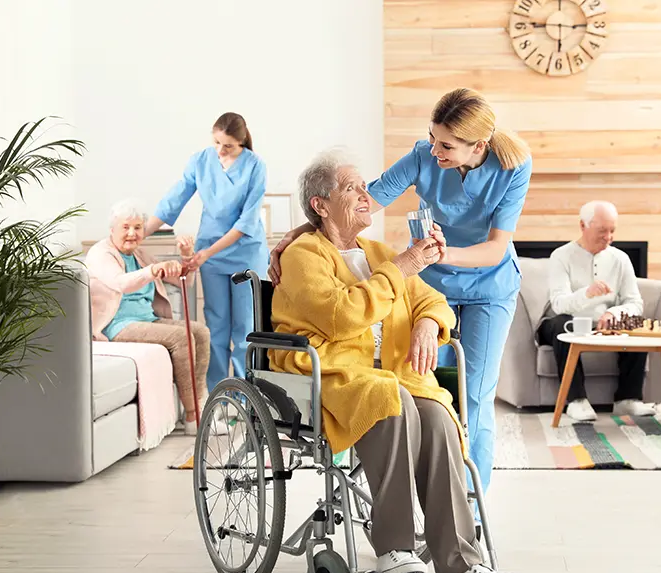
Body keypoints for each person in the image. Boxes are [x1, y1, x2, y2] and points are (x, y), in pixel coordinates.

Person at [269, 151, 520, 573]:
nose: (367, 195)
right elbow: (341, 316)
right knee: (393, 399)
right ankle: (394, 548)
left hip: (391, 374)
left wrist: (427, 322)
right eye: (351, 188)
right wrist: (403, 267)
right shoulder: (305, 254)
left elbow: (431, 300)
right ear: (320, 205)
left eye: (365, 186)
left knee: (439, 416)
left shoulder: (378, 252)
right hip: (334, 371)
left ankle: (460, 563)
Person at [269, 88, 532, 496]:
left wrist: (435, 255)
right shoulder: (423, 156)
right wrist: (298, 233)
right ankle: (420, 495)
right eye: (432, 137)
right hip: (432, 282)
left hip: (488, 284)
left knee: (474, 396)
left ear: (477, 145)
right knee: (423, 382)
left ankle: (471, 505)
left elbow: (496, 247)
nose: (434, 149)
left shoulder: (513, 165)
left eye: (445, 144)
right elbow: (361, 201)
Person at [146, 112, 269, 393]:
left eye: (228, 146)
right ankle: (220, 396)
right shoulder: (201, 160)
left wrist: (205, 253)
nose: (220, 150)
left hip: (245, 253)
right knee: (215, 328)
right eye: (216, 143)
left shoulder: (255, 166)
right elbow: (173, 201)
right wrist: (140, 232)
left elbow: (245, 224)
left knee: (245, 331)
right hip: (210, 256)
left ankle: (247, 398)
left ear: (242, 142)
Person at [86, 200, 216, 435]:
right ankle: (192, 416)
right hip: (116, 324)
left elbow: (183, 281)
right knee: (181, 336)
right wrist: (153, 271)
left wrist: (187, 259)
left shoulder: (141, 255)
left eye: (137, 227)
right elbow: (121, 283)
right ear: (112, 229)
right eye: (126, 227)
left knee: (200, 332)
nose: (132, 233)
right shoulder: (100, 253)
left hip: (146, 320)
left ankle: (201, 405)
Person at [537, 201, 654, 421]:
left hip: (603, 325)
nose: (608, 237)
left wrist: (614, 314)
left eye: (612, 231)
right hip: (561, 322)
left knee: (638, 321)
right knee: (562, 322)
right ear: (583, 225)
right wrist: (587, 294)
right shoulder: (561, 256)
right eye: (602, 231)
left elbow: (634, 303)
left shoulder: (620, 259)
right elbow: (559, 304)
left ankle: (628, 399)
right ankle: (576, 401)